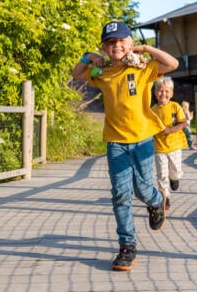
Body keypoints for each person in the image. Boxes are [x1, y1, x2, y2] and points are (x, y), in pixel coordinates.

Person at [72, 20, 179, 272]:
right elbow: (77, 74)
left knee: (142, 189)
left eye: (121, 41)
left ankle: (156, 201)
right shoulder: (102, 72)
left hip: (142, 140)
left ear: (129, 43)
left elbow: (172, 64)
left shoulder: (143, 68)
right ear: (104, 47)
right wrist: (89, 56)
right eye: (110, 43)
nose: (116, 46)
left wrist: (144, 49)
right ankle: (127, 246)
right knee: (120, 194)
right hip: (115, 143)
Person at [152, 77, 189, 210]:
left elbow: (184, 122)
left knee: (175, 171)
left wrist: (171, 130)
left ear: (171, 93)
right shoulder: (153, 110)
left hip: (174, 146)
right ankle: (165, 197)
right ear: (155, 93)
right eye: (160, 91)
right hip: (159, 147)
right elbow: (149, 125)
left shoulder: (175, 106)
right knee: (162, 174)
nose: (163, 93)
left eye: (167, 91)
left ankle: (174, 178)